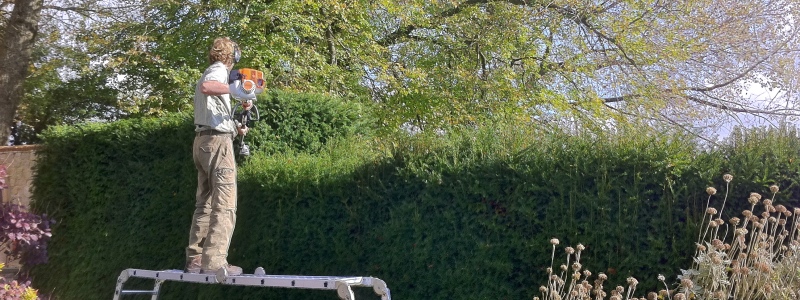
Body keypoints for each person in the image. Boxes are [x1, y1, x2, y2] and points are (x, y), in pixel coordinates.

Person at [185, 37, 256, 276]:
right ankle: (214, 262)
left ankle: (195, 260)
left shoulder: (213, 72)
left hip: (203, 142)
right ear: (232, 55)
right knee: (225, 204)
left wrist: (237, 127)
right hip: (217, 144)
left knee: (204, 203)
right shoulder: (216, 71)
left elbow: (214, 114)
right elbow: (208, 87)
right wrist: (235, 89)